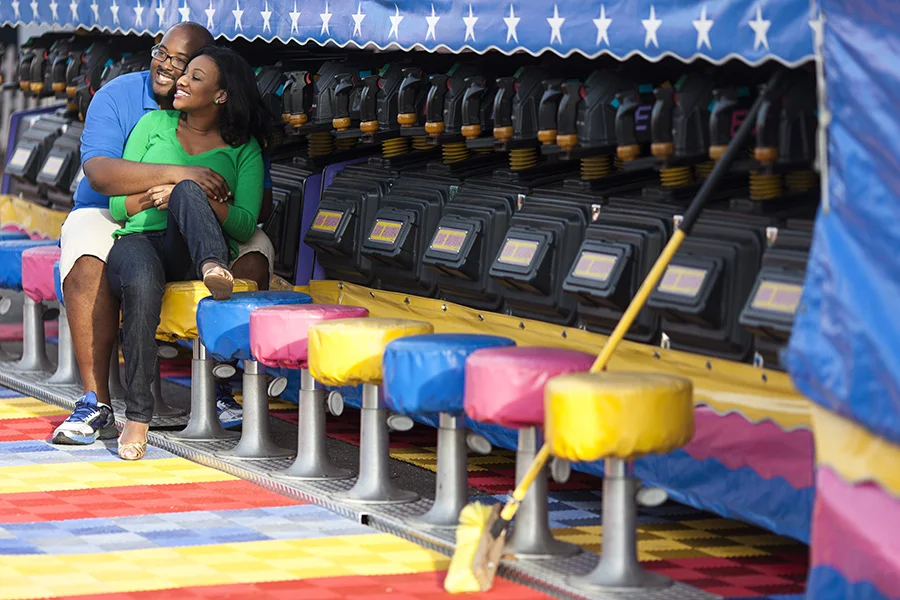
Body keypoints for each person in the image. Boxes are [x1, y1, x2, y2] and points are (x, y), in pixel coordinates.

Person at [52, 23, 268, 446]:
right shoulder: (126, 100)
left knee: (257, 249)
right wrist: (178, 180)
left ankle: (223, 383)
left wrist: (193, 195)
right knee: (99, 252)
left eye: (184, 64)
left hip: (196, 225)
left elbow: (248, 212)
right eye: (161, 53)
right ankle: (96, 400)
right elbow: (100, 177)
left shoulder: (239, 142)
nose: (168, 68)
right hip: (116, 212)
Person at [106, 46, 270, 460]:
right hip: (139, 242)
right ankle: (138, 417)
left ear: (221, 95)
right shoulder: (151, 124)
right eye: (185, 74)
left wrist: (194, 195)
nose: (180, 80)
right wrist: (156, 194)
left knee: (187, 189)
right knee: (141, 283)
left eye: (195, 77)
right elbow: (115, 207)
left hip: (189, 246)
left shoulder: (244, 149)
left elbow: (246, 223)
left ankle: (213, 264)